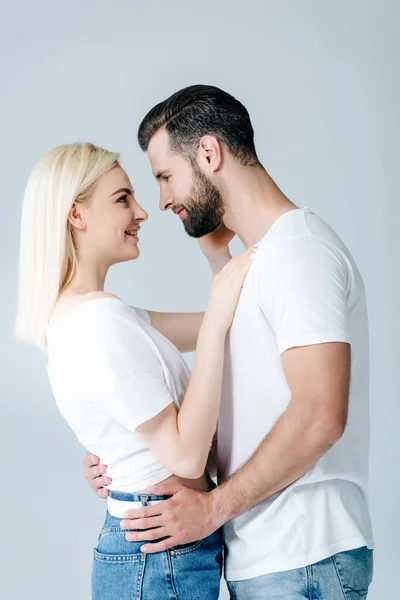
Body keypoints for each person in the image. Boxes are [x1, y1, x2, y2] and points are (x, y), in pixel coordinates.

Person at [85, 85, 375, 599]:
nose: (162, 201)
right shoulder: (260, 263)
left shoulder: (298, 253)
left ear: (209, 153)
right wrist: (131, 456)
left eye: (165, 176)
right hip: (270, 558)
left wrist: (212, 509)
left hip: (302, 556)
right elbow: (250, 416)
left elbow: (320, 416)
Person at [14, 142, 255, 600]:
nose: (143, 211)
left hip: (161, 548)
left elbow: (222, 327)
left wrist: (215, 255)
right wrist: (221, 307)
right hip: (160, 553)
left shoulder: (99, 317)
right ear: (76, 215)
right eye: (123, 198)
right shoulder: (98, 324)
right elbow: (185, 456)